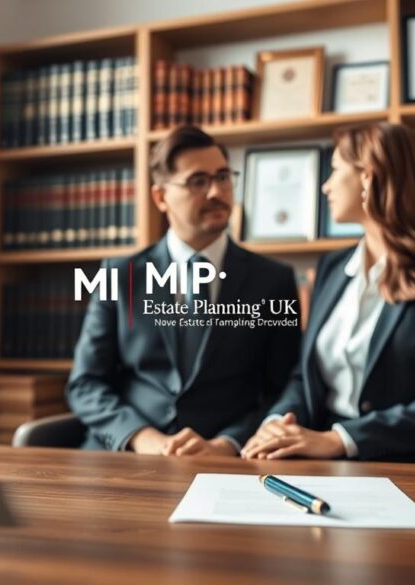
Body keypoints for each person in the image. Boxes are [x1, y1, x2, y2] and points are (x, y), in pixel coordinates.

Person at [241, 122, 415, 464]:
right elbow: (305, 374)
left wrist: (340, 440)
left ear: (368, 177)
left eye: (335, 170)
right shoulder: (331, 266)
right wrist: (277, 424)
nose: (326, 186)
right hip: (321, 455)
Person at [66, 125, 301, 456]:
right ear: (161, 197)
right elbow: (85, 384)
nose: (216, 192)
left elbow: (285, 388)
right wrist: (143, 438)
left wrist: (227, 444)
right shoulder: (120, 275)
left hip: (227, 461)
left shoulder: (273, 280)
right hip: (127, 456)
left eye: (223, 177)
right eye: (198, 182)